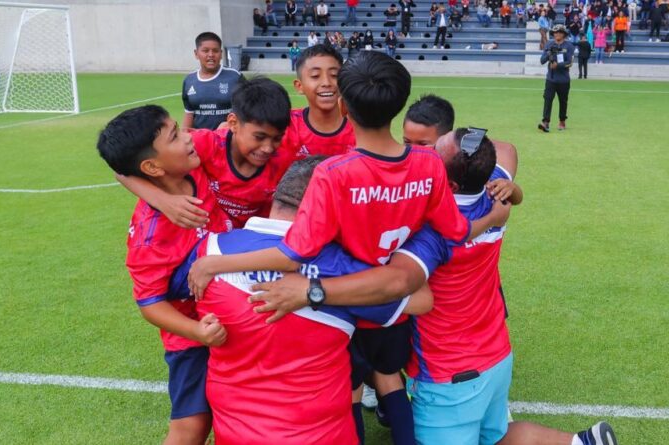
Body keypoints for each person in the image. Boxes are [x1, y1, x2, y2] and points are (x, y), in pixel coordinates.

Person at [187, 51, 503, 445]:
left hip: (345, 304)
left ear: (343, 107)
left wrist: (217, 263)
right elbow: (456, 230)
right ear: (399, 106)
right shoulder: (428, 163)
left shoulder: (334, 173)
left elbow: (294, 253)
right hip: (393, 305)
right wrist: (494, 216)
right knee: (388, 377)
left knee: (347, 387)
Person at [172, 156, 437, 445]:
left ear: (279, 194)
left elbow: (159, 294)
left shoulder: (209, 252)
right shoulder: (344, 268)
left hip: (236, 433)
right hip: (323, 435)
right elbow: (421, 299)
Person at [96, 105, 230, 445]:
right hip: (194, 336)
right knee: (192, 426)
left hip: (237, 313)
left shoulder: (197, 161)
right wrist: (197, 332)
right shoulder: (149, 238)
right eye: (175, 135)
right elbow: (150, 304)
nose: (188, 136)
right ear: (153, 167)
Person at [117, 77, 292, 230]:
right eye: (259, 137)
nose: (268, 148)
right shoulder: (207, 144)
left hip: (250, 241)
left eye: (277, 138)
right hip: (208, 237)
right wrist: (163, 201)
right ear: (233, 123)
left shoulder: (285, 160)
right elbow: (122, 172)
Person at [280, 44, 356, 166]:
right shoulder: (285, 124)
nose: (326, 83)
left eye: (334, 75)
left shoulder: (360, 126)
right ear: (299, 86)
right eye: (315, 76)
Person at [179, 33, 243, 131]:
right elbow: (189, 113)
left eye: (215, 51)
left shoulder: (235, 77)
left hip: (228, 137)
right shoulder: (189, 80)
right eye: (205, 51)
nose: (211, 55)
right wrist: (184, 134)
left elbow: (247, 110)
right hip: (200, 138)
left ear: (221, 54)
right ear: (196, 53)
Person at [538, 24, 575, 132]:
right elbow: (542, 61)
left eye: (559, 32)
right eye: (555, 32)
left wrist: (557, 65)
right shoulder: (549, 44)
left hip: (564, 80)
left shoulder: (569, 46)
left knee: (563, 101)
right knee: (548, 99)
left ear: (564, 34)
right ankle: (546, 122)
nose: (557, 34)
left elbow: (570, 62)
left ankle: (562, 121)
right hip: (551, 79)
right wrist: (549, 53)